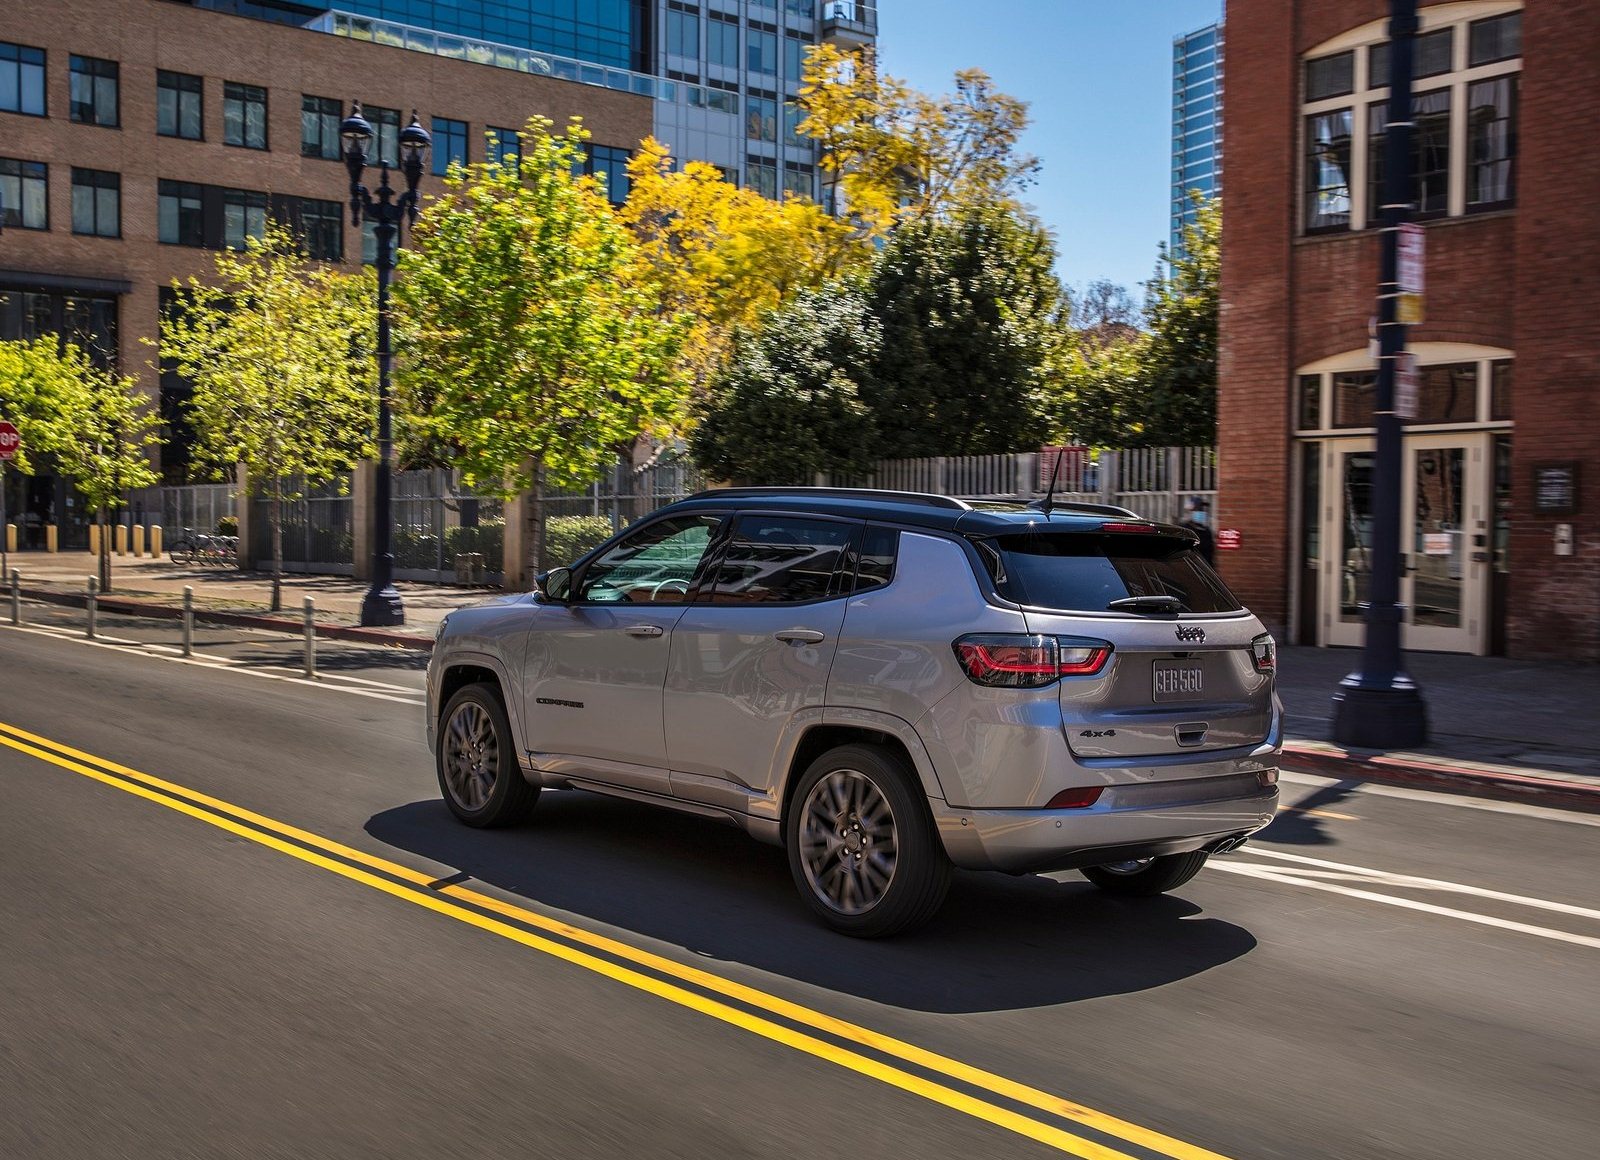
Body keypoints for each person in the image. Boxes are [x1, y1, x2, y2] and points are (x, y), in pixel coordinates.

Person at [1182, 497, 1215, 564]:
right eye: (1199, 509)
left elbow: (1210, 554)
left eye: (1202, 510)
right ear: (1190, 512)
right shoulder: (1183, 530)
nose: (1202, 512)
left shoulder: (1206, 531)